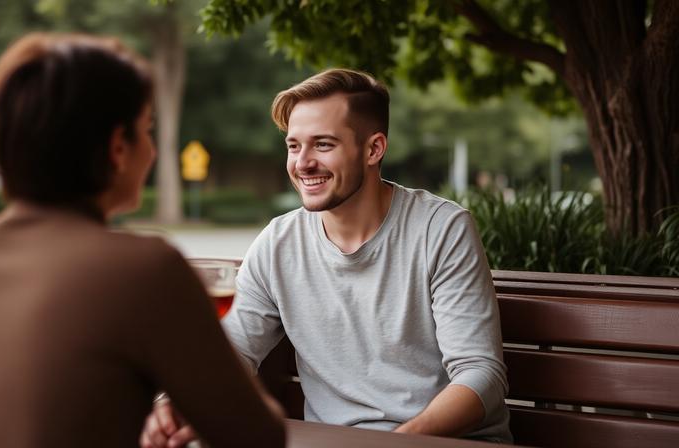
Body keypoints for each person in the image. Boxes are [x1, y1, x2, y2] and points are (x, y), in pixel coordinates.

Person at [0, 33, 285, 448]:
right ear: (117, 147)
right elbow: (258, 436)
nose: (153, 151)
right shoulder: (146, 269)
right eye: (147, 129)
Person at [141, 68, 512, 445]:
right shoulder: (278, 242)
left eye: (323, 144)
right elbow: (231, 351)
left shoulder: (441, 228)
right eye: (293, 145)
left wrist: (393, 442)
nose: (302, 163)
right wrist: (176, 401)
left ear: (373, 149)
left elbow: (480, 375)